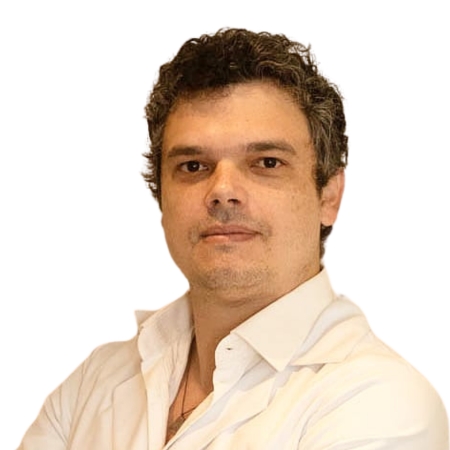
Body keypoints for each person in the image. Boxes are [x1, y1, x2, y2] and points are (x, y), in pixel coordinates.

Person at [18, 28, 448, 450]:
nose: (222, 190)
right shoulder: (94, 382)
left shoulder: (382, 403)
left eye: (266, 162)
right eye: (193, 166)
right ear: (162, 197)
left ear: (328, 196)